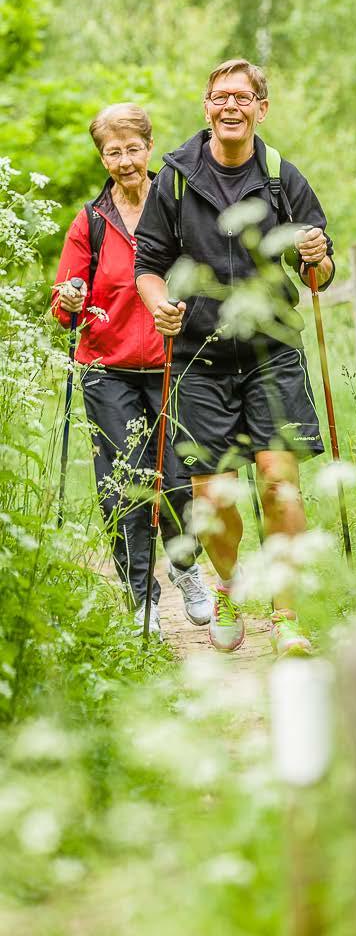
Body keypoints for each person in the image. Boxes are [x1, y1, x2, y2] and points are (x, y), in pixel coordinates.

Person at [134, 59, 335, 656]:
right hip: (199, 357)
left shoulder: (281, 178)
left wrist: (317, 254)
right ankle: (227, 586)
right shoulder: (173, 178)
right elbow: (147, 267)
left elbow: (317, 275)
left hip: (272, 353)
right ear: (206, 107)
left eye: (243, 97)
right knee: (215, 501)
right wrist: (160, 306)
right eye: (220, 96)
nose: (231, 106)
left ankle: (288, 614)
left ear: (261, 109)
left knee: (279, 485)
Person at [51, 102, 212, 638]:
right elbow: (62, 305)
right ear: (103, 158)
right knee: (123, 485)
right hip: (107, 368)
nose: (123, 160)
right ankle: (140, 595)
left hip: (175, 362)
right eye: (112, 152)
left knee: (179, 482)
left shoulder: (178, 208)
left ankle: (187, 568)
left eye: (132, 149)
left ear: (149, 148)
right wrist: (70, 297)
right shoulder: (90, 223)